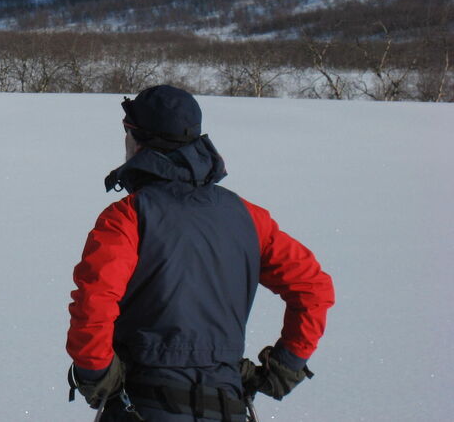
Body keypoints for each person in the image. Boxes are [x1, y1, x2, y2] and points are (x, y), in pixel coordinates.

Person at [66, 85, 334, 421]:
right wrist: (287, 366)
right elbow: (313, 288)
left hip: (143, 406)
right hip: (227, 407)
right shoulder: (247, 217)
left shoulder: (128, 217)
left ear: (137, 138)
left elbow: (95, 303)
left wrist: (95, 373)